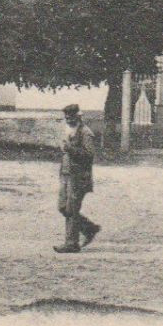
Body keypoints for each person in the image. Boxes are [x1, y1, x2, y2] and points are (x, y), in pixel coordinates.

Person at [55, 103, 100, 253]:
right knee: (62, 207)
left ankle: (71, 243)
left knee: (72, 209)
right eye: (66, 117)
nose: (68, 119)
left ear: (78, 117)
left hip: (79, 176)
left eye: (71, 117)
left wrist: (70, 149)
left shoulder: (85, 133)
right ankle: (89, 228)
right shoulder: (69, 130)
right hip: (66, 174)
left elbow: (89, 155)